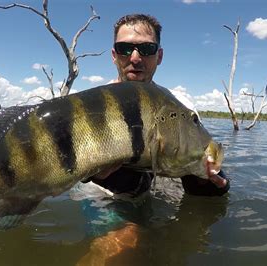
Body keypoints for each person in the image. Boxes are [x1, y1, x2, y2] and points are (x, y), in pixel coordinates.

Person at [83, 13, 230, 198]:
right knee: (128, 228)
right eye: (124, 48)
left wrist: (205, 178)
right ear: (114, 55)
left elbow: (202, 165)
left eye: (146, 48)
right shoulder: (92, 108)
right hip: (102, 196)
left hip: (159, 192)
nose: (135, 58)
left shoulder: (180, 107)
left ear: (159, 56)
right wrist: (88, 174)